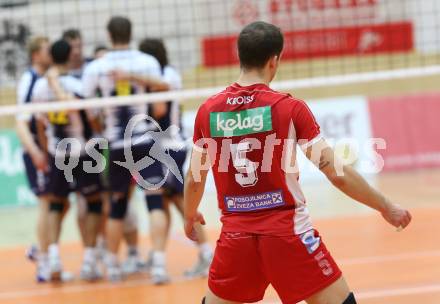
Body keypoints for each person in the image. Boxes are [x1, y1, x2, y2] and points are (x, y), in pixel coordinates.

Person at [183, 21, 412, 304]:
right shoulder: (289, 108)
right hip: (288, 233)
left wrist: (189, 214)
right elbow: (337, 173)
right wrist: (385, 206)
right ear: (274, 60)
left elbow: (195, 176)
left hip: (236, 237)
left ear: (239, 56)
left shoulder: (208, 111)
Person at [82, 16, 168, 283]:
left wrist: (99, 124)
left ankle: (114, 268)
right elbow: (163, 89)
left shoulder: (97, 66)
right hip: (144, 140)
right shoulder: (147, 61)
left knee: (117, 205)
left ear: (109, 35)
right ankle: (159, 266)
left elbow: (88, 108)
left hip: (116, 144)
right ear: (131, 33)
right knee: (155, 201)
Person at [138, 38, 213, 278]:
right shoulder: (168, 73)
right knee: (177, 202)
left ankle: (161, 262)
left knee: (158, 203)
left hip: (162, 146)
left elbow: (159, 110)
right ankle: (204, 255)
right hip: (171, 145)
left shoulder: (162, 75)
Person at [32, 39, 104, 281]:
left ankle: (53, 257)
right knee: (93, 203)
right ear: (69, 57)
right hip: (83, 152)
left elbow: (40, 125)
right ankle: (89, 261)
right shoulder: (78, 85)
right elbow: (93, 120)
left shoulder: (40, 88)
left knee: (55, 204)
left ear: (51, 58)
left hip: (57, 154)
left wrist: (45, 150)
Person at [16, 36, 52, 282]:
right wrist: (35, 151)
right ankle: (43, 261)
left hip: (52, 149)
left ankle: (40, 251)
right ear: (36, 55)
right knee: (47, 204)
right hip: (37, 151)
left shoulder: (50, 77)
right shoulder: (29, 80)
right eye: (46, 50)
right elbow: (20, 121)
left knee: (59, 204)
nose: (50, 52)